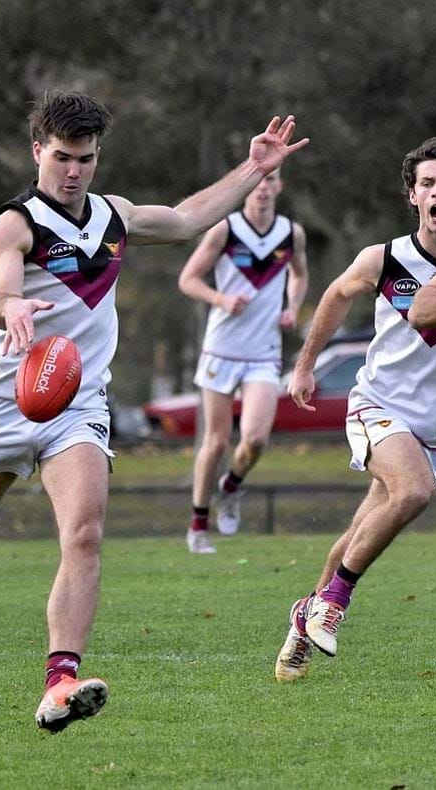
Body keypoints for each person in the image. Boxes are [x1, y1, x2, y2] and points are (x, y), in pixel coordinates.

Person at [0, 90, 307, 731]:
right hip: (7, 402)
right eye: (62, 157)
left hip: (78, 405)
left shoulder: (113, 216)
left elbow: (183, 219)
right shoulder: (15, 224)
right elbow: (1, 288)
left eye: (85, 159)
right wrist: (11, 308)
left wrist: (253, 170)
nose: (73, 171)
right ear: (37, 150)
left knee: (86, 532)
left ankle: (59, 680)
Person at [273, 136, 436, 682]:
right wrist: (306, 364)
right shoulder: (383, 259)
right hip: (377, 404)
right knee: (412, 492)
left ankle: (304, 613)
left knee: (362, 529)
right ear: (412, 196)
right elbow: (335, 296)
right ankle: (335, 601)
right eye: (427, 183)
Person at [178, 169, 309, 553]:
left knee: (254, 439)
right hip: (221, 348)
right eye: (259, 181)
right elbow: (188, 279)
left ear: (279, 187)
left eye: (271, 181)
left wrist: (293, 306)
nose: (264, 187)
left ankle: (231, 487)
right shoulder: (224, 229)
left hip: (263, 353)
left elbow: (299, 276)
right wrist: (221, 300)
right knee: (216, 442)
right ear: (248, 187)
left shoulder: (291, 233)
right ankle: (198, 526)